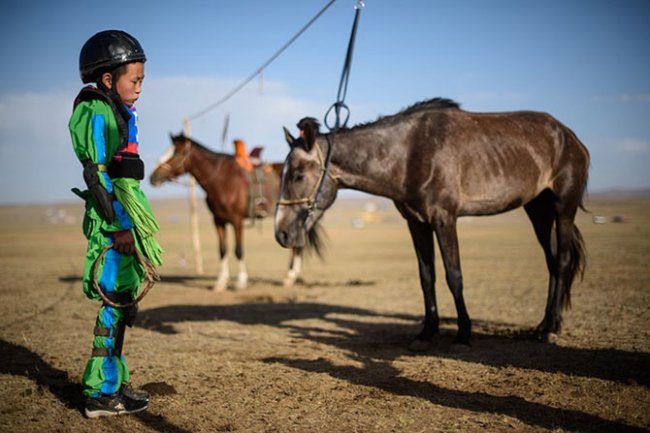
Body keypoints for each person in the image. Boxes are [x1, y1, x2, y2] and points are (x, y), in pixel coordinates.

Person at [69, 30, 163, 418]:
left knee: (123, 302)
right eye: (134, 80)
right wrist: (119, 227)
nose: (140, 88)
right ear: (108, 79)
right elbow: (98, 174)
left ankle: (112, 383)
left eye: (142, 80)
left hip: (123, 215)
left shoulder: (118, 110)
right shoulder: (96, 112)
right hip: (113, 220)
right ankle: (100, 395)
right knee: (112, 303)